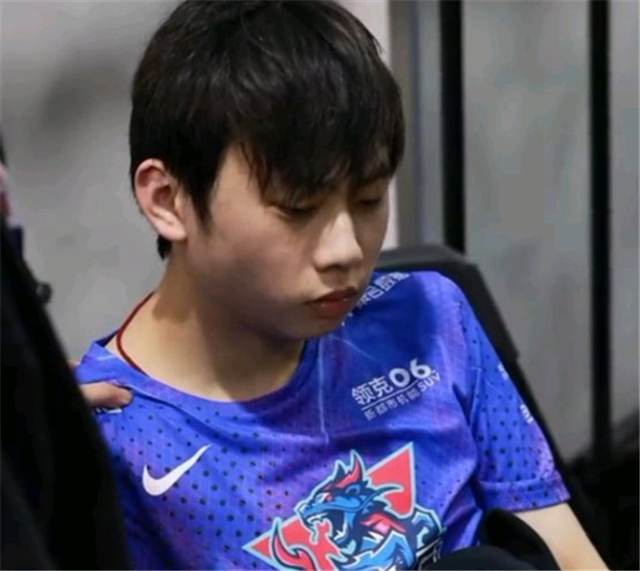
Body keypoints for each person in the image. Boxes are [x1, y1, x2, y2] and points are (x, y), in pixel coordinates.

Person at [74, 1, 608, 569]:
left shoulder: (429, 320)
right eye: (298, 208)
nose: (346, 250)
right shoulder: (107, 436)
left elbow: (568, 554)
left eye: (369, 200)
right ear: (168, 200)